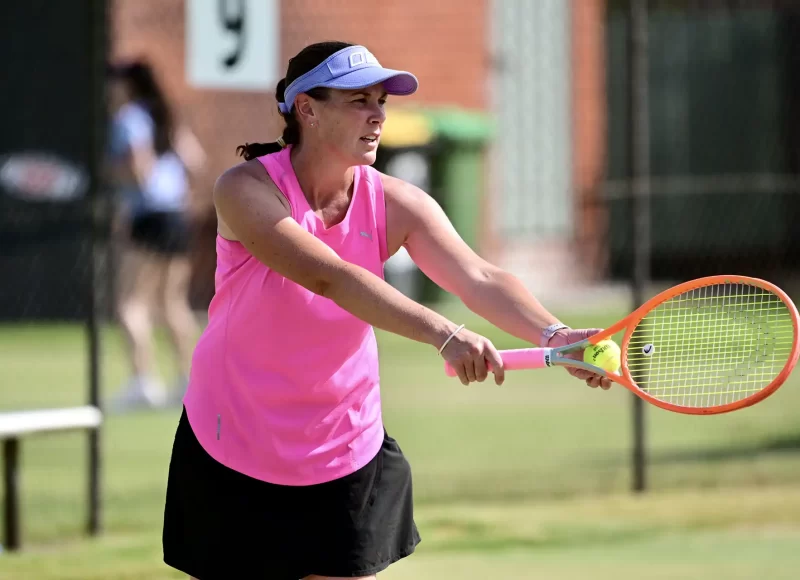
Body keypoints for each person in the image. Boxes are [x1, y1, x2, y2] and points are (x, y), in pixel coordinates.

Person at [161, 42, 611, 580]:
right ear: (306, 108)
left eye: (381, 101)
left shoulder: (397, 202)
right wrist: (445, 333)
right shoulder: (245, 189)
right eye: (358, 100)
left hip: (342, 447)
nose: (377, 115)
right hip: (230, 440)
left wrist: (554, 333)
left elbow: (479, 277)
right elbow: (328, 275)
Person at [106, 60, 205, 410]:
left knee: (130, 304)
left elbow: (139, 170)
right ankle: (188, 381)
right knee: (171, 303)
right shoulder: (167, 116)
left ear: (127, 86)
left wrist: (111, 172)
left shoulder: (129, 117)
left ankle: (143, 383)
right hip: (175, 216)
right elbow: (195, 162)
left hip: (149, 216)